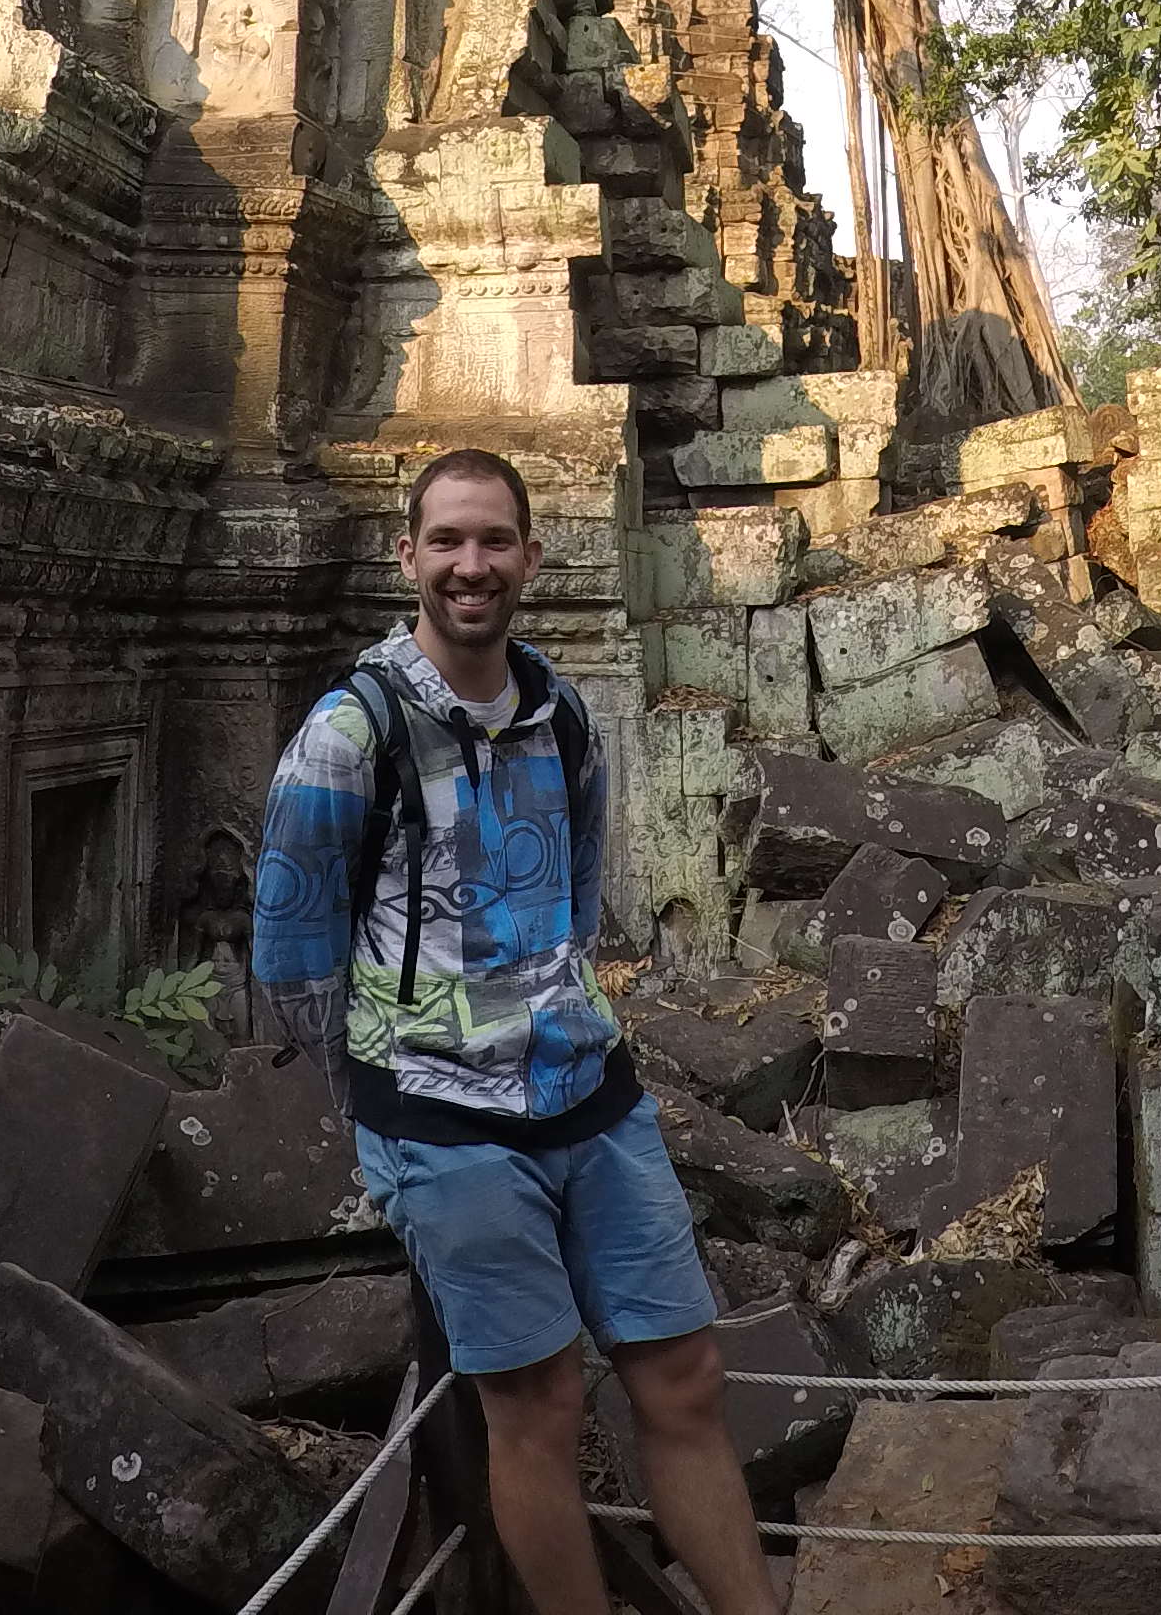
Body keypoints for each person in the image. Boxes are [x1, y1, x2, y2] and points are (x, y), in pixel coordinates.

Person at [253, 448, 778, 1615]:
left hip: (587, 1093)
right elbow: (291, 954)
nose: (470, 566)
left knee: (684, 1377)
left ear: (531, 558)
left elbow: (574, 904)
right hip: (441, 1122)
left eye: (493, 541)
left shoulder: (562, 715)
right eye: (446, 542)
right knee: (535, 1407)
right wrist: (390, 1099)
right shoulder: (352, 734)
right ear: (409, 559)